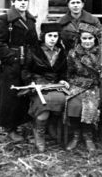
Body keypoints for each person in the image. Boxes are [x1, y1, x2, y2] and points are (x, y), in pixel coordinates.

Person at [0, 0, 38, 141]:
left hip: (27, 62)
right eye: (20, 0)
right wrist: (11, 57)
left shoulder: (31, 19)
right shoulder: (5, 19)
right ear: (13, 2)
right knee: (10, 96)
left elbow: (34, 42)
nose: (23, 3)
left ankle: (22, 125)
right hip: (11, 64)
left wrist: (34, 58)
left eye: (26, 0)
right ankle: (10, 128)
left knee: (24, 95)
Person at [65, 22, 102, 152]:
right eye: (84, 38)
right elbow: (69, 74)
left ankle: (88, 137)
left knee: (90, 106)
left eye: (90, 38)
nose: (87, 41)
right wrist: (78, 83)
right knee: (73, 104)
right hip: (78, 85)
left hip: (97, 86)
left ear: (95, 39)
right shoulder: (73, 53)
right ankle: (76, 136)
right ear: (80, 39)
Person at [22, 22, 69, 152]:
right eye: (50, 36)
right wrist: (30, 81)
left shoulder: (61, 51)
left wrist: (63, 80)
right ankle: (39, 133)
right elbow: (25, 70)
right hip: (38, 84)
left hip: (55, 85)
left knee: (63, 100)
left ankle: (51, 127)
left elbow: (63, 71)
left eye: (55, 36)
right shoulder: (34, 50)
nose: (53, 38)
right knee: (44, 103)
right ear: (43, 36)